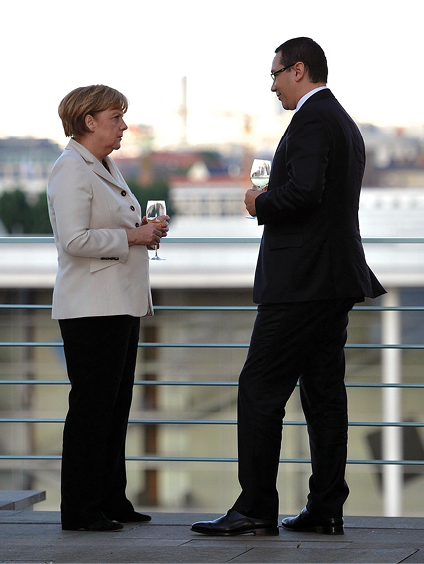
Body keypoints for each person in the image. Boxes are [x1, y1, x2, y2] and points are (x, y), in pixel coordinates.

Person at [191, 37, 385, 537]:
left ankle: (255, 508)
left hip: (300, 281)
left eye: (275, 74)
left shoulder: (313, 120)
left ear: (298, 70)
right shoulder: (342, 121)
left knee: (259, 390)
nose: (273, 85)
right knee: (323, 395)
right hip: (333, 277)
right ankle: (325, 509)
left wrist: (260, 202)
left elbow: (304, 192)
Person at [47, 85, 169, 532]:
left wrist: (141, 228)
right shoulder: (70, 170)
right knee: (92, 410)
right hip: (91, 307)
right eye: (116, 117)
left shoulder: (103, 165)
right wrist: (133, 237)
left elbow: (106, 227)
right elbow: (73, 241)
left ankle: (111, 500)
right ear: (88, 122)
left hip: (118, 303)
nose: (124, 125)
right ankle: (79, 509)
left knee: (114, 407)